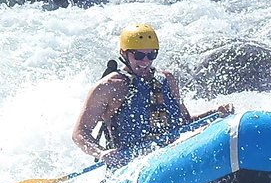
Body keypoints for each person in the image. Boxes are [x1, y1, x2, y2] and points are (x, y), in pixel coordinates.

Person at [72, 23, 234, 168]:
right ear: (124, 53)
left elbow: (186, 122)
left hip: (174, 157)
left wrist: (215, 113)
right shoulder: (109, 87)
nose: (145, 61)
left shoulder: (167, 79)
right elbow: (80, 133)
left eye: (151, 55)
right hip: (131, 168)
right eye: (139, 55)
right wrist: (101, 153)